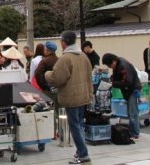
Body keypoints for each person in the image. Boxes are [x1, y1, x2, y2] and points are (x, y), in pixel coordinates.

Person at [45, 31, 93, 165]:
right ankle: (80, 152)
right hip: (83, 96)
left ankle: (84, 155)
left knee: (75, 126)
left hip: (71, 97)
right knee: (79, 125)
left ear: (64, 42)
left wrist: (47, 74)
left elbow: (56, 78)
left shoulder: (66, 58)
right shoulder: (83, 56)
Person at [102, 53, 142, 140]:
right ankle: (132, 132)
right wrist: (111, 80)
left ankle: (135, 133)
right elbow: (116, 76)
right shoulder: (119, 63)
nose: (110, 67)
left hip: (132, 90)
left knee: (132, 112)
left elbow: (127, 82)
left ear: (113, 61)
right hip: (129, 90)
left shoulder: (123, 66)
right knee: (130, 112)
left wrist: (113, 83)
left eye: (109, 65)